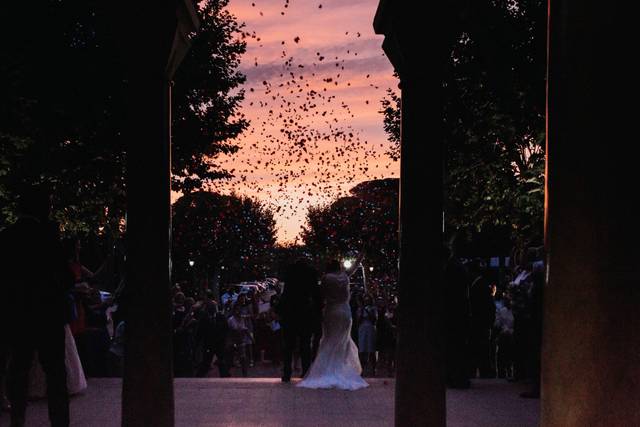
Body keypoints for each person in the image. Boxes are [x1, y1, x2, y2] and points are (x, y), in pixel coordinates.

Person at [0, 185, 72, 427]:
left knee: (19, 367)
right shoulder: (49, 238)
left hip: (17, 313)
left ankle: (17, 417)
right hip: (48, 314)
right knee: (55, 372)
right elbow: (66, 277)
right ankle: (59, 420)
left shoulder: (6, 237)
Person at [297, 259, 368, 390]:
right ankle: (340, 369)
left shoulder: (326, 278)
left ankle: (326, 370)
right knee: (343, 341)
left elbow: (322, 295)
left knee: (329, 340)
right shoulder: (345, 277)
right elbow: (353, 268)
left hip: (331, 311)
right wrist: (360, 256)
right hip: (345, 312)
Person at [277, 257, 320, 382]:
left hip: (290, 312)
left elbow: (285, 293)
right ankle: (305, 371)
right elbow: (316, 294)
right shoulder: (311, 274)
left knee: (288, 345)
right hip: (305, 312)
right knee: (305, 344)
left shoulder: (290, 273)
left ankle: (287, 372)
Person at [357, 294, 377, 376]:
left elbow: (374, 320)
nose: (366, 300)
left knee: (371, 349)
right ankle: (361, 369)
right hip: (362, 328)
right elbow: (358, 320)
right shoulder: (360, 309)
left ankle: (373, 369)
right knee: (362, 349)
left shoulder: (373, 309)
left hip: (370, 328)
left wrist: (368, 311)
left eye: (368, 299)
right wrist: (362, 310)